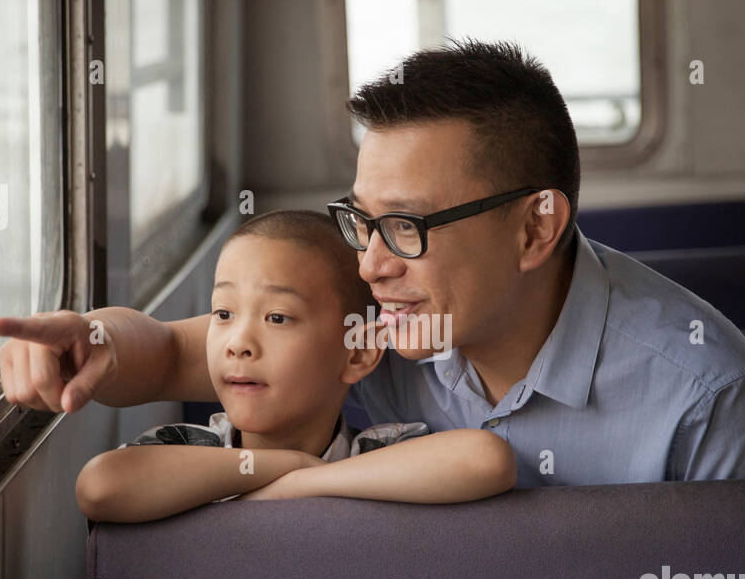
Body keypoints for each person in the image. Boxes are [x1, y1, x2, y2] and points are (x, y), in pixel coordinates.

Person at [0, 40, 745, 487]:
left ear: (535, 229)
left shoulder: (705, 392)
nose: (372, 265)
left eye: (408, 228)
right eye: (361, 223)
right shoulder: (368, 329)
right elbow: (167, 352)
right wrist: (91, 337)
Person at [67, 210, 516, 522]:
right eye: (223, 313)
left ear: (358, 352)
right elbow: (99, 487)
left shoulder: (380, 455)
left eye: (277, 318)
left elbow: (486, 460)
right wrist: (285, 465)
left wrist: (303, 482)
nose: (238, 343)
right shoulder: (187, 448)